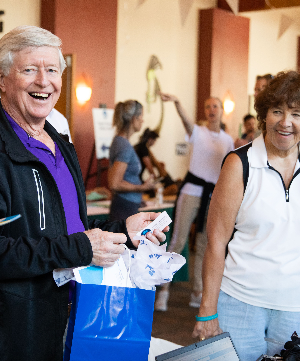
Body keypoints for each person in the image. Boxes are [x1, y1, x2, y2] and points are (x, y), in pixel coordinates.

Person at [0, 25, 167, 361]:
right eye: (29, 69)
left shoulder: (62, 146)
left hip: (74, 313)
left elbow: (71, 227)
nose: (43, 81)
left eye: (51, 70)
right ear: (2, 80)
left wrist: (123, 231)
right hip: (17, 330)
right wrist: (80, 248)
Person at [192, 70, 300, 360]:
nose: (286, 122)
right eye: (277, 111)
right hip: (239, 304)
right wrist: (206, 312)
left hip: (294, 309)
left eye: (296, 113)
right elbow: (215, 243)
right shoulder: (240, 164)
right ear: (264, 115)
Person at [154, 94, 234, 311]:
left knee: (204, 244)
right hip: (191, 192)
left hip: (212, 195)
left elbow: (229, 170)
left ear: (221, 110)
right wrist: (178, 102)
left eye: (215, 106)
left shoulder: (228, 140)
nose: (211, 109)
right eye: (207, 106)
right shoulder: (198, 132)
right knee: (179, 240)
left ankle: (197, 291)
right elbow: (186, 121)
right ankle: (164, 290)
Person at [108, 100, 155, 221]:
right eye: (141, 117)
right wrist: (142, 188)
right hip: (124, 206)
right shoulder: (124, 146)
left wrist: (138, 197)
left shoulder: (120, 141)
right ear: (134, 118)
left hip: (126, 204)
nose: (142, 120)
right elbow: (114, 183)